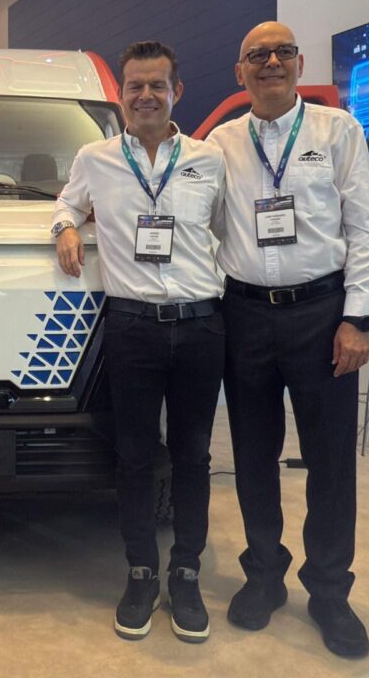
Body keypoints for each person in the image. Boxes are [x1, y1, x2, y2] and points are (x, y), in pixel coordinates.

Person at [209, 21, 369, 658]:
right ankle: (264, 574)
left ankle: (330, 591)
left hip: (322, 314)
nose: (271, 62)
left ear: (299, 63)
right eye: (256, 55)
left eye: (282, 52)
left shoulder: (338, 131)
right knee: (253, 454)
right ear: (240, 72)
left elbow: (366, 229)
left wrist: (358, 318)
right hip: (244, 315)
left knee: (331, 460)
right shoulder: (220, 144)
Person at [53, 41, 226, 643]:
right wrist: (65, 227)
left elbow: (229, 231)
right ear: (121, 95)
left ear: (177, 91)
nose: (146, 96)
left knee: (193, 455)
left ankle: (186, 571)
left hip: (201, 326)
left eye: (157, 85)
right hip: (130, 327)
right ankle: (141, 571)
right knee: (132, 455)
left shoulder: (209, 159)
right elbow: (65, 202)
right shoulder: (95, 158)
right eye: (135, 86)